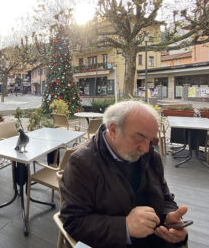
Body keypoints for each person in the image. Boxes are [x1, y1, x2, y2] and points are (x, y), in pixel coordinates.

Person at [60, 100, 188, 248]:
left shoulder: (151, 156)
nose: (146, 149)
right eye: (139, 138)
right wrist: (125, 227)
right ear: (113, 130)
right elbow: (73, 222)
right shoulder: (82, 163)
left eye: (151, 140)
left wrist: (169, 218)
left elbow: (166, 198)